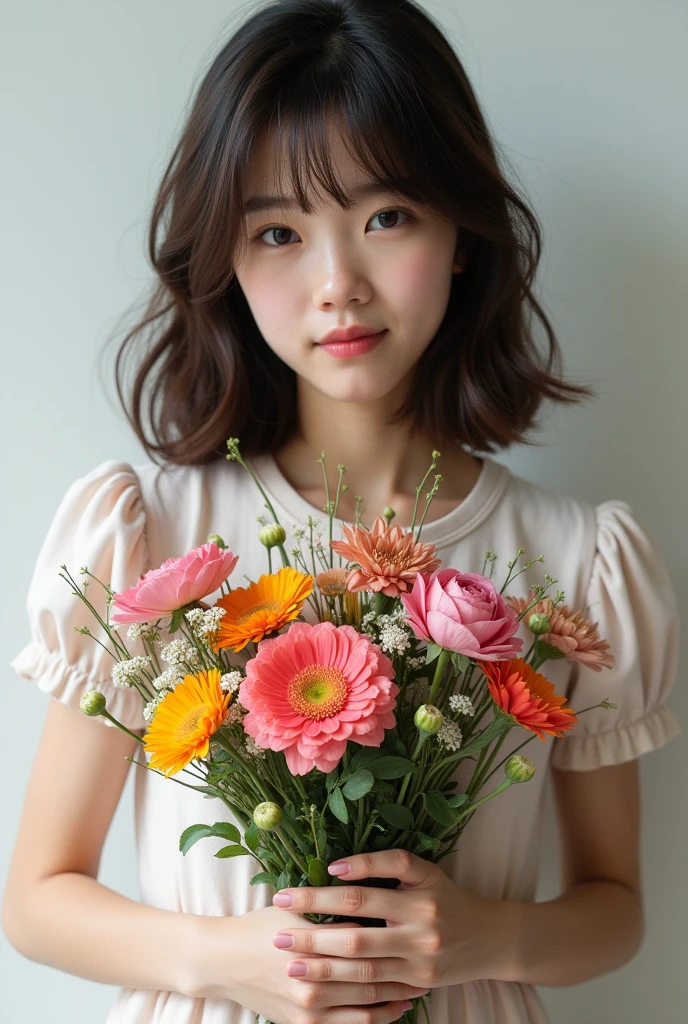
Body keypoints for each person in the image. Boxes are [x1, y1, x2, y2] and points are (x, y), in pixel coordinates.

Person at [2, 2, 681, 1023]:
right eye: (278, 232)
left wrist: (482, 938)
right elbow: (37, 899)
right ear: (225, 262)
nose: (338, 286)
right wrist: (232, 956)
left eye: (386, 217)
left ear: (462, 232)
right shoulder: (149, 536)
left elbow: (614, 909)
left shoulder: (572, 560)